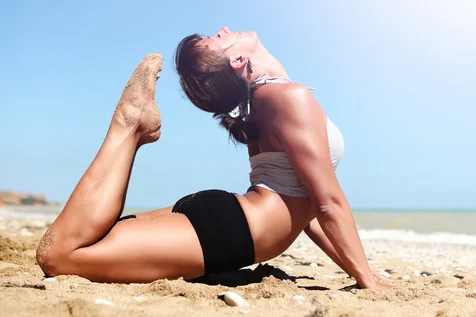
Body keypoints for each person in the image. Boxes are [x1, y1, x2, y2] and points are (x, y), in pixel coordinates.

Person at [35, 27, 391, 290]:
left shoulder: (263, 102)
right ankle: (127, 127)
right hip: (234, 231)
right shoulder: (288, 98)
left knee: (92, 239)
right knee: (60, 255)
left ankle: (133, 131)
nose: (223, 30)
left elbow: (308, 212)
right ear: (237, 59)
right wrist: (366, 279)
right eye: (218, 39)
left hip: (231, 219)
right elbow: (328, 203)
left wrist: (356, 268)